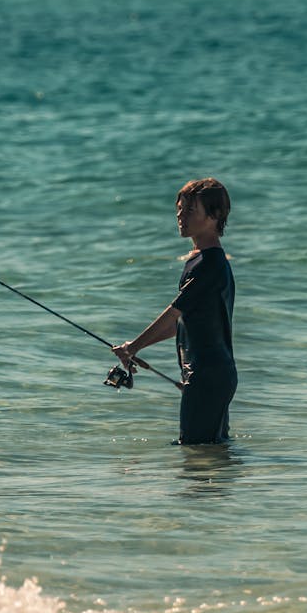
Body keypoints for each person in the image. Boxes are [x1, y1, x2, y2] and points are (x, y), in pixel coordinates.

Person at [113, 178, 236, 444]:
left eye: (190, 211)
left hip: (207, 376)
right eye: (179, 210)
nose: (181, 216)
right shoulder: (202, 260)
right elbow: (180, 323)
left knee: (195, 451)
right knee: (211, 452)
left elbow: (174, 311)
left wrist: (133, 347)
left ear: (215, 216)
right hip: (209, 375)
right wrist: (135, 348)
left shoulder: (210, 263)